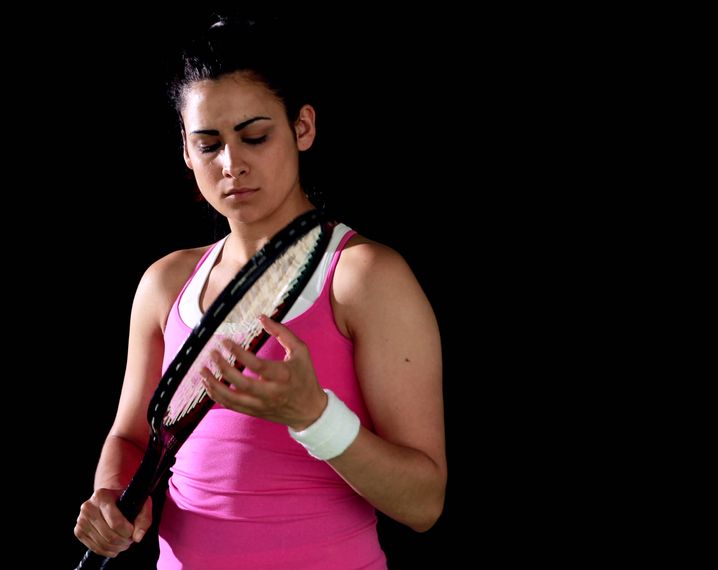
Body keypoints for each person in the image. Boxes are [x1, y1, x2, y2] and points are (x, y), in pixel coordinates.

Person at [75, 15, 445, 569]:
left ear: (303, 128)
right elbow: (131, 440)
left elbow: (424, 503)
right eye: (208, 144)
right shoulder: (165, 284)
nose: (232, 164)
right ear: (184, 150)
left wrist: (314, 416)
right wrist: (110, 496)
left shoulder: (363, 278)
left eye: (255, 136)